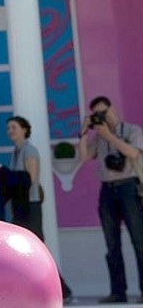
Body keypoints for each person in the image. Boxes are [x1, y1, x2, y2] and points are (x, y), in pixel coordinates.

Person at [0, 116, 73, 304]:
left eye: (14, 127)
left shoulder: (29, 150)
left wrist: (5, 173)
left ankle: (62, 290)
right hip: (20, 206)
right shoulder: (15, 152)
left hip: (30, 206)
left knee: (39, 248)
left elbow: (29, 178)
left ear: (24, 129)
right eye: (8, 128)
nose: (10, 131)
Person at [78, 96, 143, 304]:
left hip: (129, 188)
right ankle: (118, 291)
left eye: (104, 112)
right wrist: (83, 132)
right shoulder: (99, 137)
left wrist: (110, 136)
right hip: (107, 190)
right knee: (111, 244)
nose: (102, 117)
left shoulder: (132, 130)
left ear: (112, 109)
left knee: (139, 241)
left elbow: (133, 152)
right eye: (97, 115)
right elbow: (85, 157)